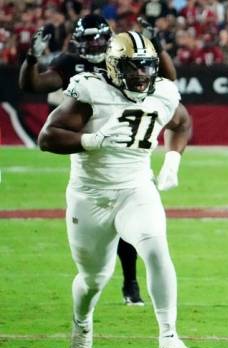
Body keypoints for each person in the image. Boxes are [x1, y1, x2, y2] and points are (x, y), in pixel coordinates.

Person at [37, 31, 193, 348]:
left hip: (136, 188)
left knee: (155, 246)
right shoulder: (91, 90)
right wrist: (92, 140)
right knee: (94, 279)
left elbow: (181, 122)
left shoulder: (162, 92)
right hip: (89, 194)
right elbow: (47, 138)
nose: (141, 75)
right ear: (113, 66)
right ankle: (82, 323)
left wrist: (172, 160)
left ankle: (168, 334)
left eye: (146, 67)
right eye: (133, 68)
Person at [19, 14, 179, 306]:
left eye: (98, 38)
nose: (94, 43)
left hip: (125, 157)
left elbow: (167, 83)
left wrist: (158, 45)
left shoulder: (128, 59)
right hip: (87, 151)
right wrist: (32, 58)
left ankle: (131, 282)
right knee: (95, 252)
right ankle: (97, 295)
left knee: (134, 220)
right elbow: (35, 86)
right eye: (88, 38)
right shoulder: (75, 70)